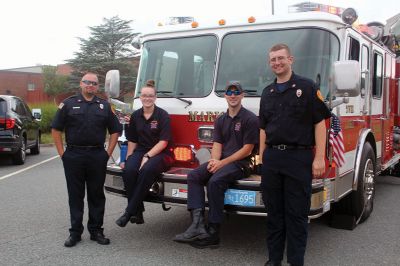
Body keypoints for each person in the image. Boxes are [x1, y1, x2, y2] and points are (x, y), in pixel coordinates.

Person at [259, 44, 331, 266]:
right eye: (273, 60)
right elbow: (263, 128)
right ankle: (274, 260)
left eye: (281, 58)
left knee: (297, 215)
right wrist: (262, 158)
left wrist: (319, 158)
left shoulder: (307, 87)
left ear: (291, 59)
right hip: (272, 158)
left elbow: (320, 123)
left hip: (298, 159)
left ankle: (296, 262)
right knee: (274, 214)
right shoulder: (267, 93)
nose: (277, 63)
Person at [174, 81, 259, 249]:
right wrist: (214, 161)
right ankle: (197, 226)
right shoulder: (221, 119)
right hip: (222, 162)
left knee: (215, 182)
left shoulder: (250, 119)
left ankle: (213, 233)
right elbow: (217, 144)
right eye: (230, 92)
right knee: (194, 176)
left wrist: (222, 163)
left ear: (242, 96)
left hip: (242, 163)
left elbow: (247, 149)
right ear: (225, 96)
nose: (233, 95)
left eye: (236, 92)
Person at [51, 72, 121, 247]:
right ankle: (75, 232)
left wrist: (107, 154)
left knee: (96, 195)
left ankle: (96, 230)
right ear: (81, 84)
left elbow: (115, 131)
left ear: (98, 87)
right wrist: (62, 154)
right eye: (87, 82)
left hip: (97, 156)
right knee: (75, 195)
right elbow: (56, 129)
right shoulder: (68, 104)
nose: (90, 85)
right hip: (73, 156)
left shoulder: (105, 106)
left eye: (94, 83)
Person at [115, 80, 174, 227]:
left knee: (146, 170)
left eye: (150, 96)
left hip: (161, 153)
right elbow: (133, 140)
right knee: (129, 170)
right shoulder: (135, 116)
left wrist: (148, 157)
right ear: (140, 97)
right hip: (141, 150)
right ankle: (138, 211)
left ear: (155, 98)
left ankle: (129, 212)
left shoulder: (163, 115)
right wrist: (128, 158)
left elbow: (163, 142)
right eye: (144, 95)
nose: (147, 98)